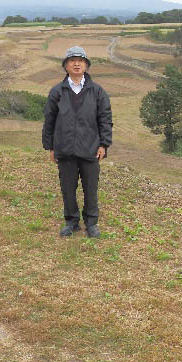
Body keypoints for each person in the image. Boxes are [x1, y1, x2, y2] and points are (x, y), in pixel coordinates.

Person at [42, 46, 113, 238]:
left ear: (86, 66)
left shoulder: (97, 91)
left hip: (90, 149)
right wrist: (50, 147)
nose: (76, 64)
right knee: (67, 188)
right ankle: (71, 222)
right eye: (72, 60)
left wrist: (103, 145)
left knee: (91, 189)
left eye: (80, 61)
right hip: (64, 149)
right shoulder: (57, 91)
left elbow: (105, 119)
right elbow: (49, 120)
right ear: (65, 66)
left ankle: (91, 223)